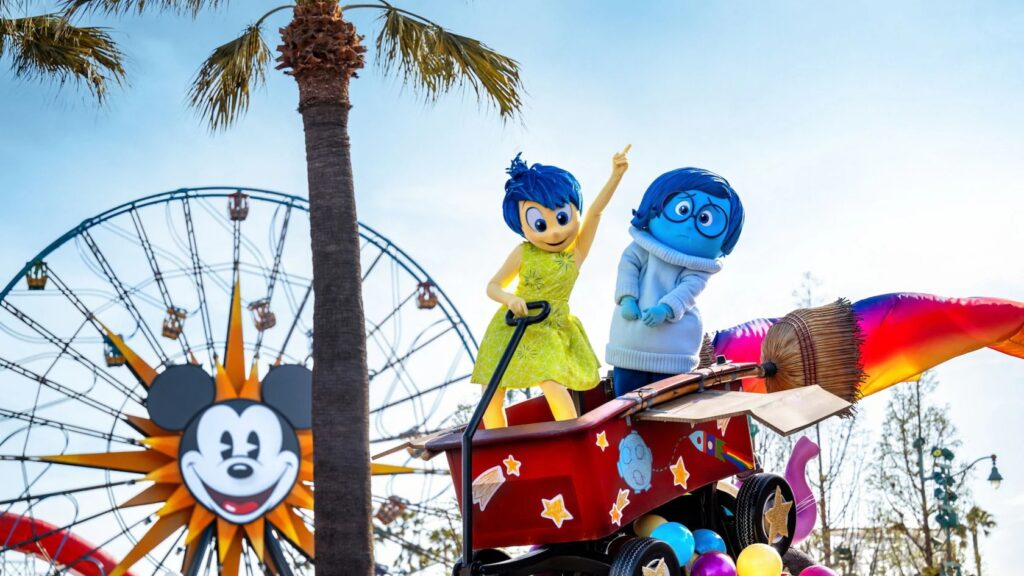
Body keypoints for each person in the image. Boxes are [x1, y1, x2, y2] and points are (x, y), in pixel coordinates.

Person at [471, 147, 631, 428]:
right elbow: (493, 286)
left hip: (549, 325)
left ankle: (570, 434)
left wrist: (615, 176)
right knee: (491, 391)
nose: (554, 232)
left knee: (551, 380)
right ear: (522, 226)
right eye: (540, 224)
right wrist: (510, 298)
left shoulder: (575, 253)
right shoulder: (524, 252)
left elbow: (595, 213)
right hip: (511, 325)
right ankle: (498, 443)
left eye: (561, 218)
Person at [607, 167, 744, 396]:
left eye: (705, 219)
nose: (689, 224)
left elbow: (688, 290)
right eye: (682, 210)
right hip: (630, 342)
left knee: (670, 401)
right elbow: (627, 268)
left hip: (674, 351)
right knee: (626, 399)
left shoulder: (698, 269)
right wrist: (627, 297)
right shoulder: (640, 248)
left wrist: (665, 308)